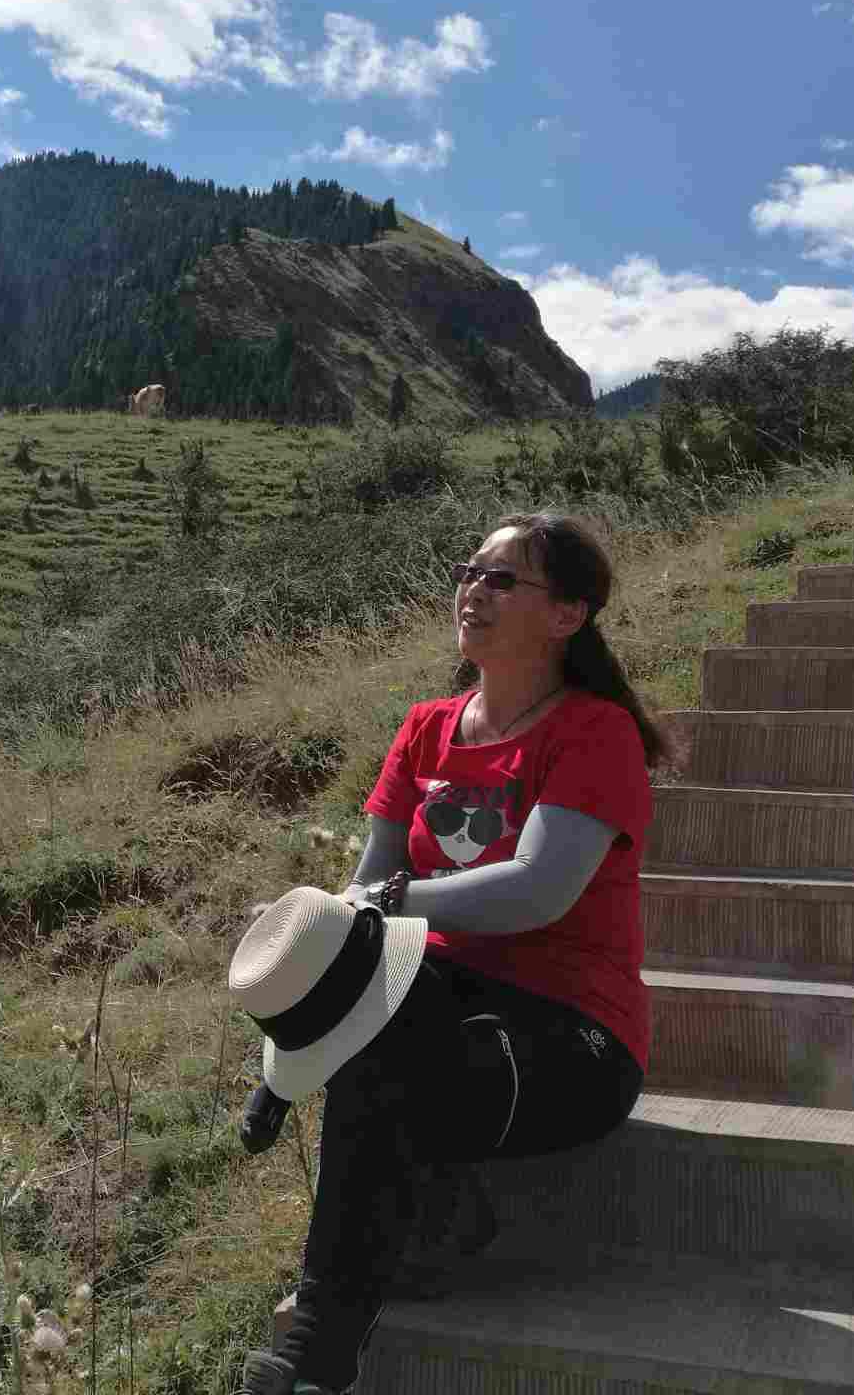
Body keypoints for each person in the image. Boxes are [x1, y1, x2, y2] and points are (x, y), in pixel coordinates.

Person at [227, 511, 668, 1395]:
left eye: (502, 579)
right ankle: (420, 1223)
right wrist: (337, 931)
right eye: (469, 571)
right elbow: (366, 888)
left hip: (571, 1046)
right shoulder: (426, 727)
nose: (473, 590)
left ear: (568, 615)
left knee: (380, 1043)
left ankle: (321, 1340)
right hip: (435, 1013)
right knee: (381, 1014)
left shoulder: (594, 733)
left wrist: (389, 903)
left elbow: (536, 890)